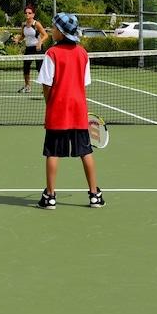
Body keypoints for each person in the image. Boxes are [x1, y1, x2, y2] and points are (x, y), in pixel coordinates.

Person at [35, 12, 103, 210]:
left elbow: (46, 85)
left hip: (58, 111)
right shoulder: (83, 53)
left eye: (54, 28)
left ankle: (50, 196)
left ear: (62, 33)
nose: (51, 30)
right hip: (78, 111)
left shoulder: (52, 54)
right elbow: (84, 83)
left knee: (53, 153)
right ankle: (95, 195)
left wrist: (51, 105)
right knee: (86, 152)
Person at [11, 4, 48, 93]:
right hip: (28, 49)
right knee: (26, 68)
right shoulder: (24, 25)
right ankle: (27, 87)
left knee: (40, 68)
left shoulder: (37, 24)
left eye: (29, 13)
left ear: (33, 14)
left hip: (38, 49)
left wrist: (40, 42)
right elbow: (23, 36)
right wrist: (17, 40)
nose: (27, 14)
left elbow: (45, 35)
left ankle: (45, 87)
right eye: (26, 13)